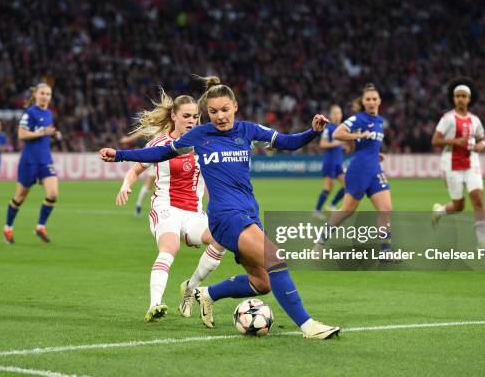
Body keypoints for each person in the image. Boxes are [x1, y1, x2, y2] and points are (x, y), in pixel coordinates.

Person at [100, 76, 339, 339]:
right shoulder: (199, 136)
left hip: (249, 213)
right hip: (225, 217)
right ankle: (308, 326)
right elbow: (160, 153)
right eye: (213, 112)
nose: (220, 116)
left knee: (262, 284)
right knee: (275, 259)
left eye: (225, 109)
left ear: (235, 106)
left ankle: (208, 293)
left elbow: (287, 142)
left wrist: (313, 132)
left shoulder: (248, 131)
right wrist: (120, 155)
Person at [115, 89, 226, 322]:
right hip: (166, 208)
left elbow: (209, 181)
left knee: (221, 238)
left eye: (195, 116)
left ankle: (191, 287)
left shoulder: (204, 143)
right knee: (170, 248)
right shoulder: (161, 143)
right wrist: (126, 185)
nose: (192, 121)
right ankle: (155, 304)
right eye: (186, 116)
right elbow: (136, 169)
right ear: (174, 116)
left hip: (193, 212)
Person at [323, 84, 392, 252]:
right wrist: (358, 135)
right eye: (368, 99)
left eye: (374, 99)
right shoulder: (359, 119)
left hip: (375, 169)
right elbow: (337, 133)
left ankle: (385, 250)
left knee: (386, 209)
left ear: (379, 101)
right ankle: (321, 241)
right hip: (359, 170)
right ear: (363, 102)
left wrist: (375, 154)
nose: (371, 102)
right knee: (347, 210)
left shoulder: (379, 121)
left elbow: (361, 146)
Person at [431, 77, 485, 249]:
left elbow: (482, 140)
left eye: (464, 96)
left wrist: (479, 146)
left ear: (469, 99)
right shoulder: (447, 118)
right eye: (457, 96)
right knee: (459, 205)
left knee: (477, 199)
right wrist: (456, 141)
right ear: (454, 98)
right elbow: (435, 140)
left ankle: (482, 244)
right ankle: (439, 211)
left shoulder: (475, 120)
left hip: (471, 163)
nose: (461, 99)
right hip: (451, 164)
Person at [3, 83, 62, 244]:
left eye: (48, 94)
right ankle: (8, 227)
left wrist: (54, 135)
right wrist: (43, 132)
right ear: (35, 95)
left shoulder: (49, 114)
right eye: (42, 93)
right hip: (29, 161)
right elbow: (21, 135)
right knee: (20, 197)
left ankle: (40, 226)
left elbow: (45, 134)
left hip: (45, 160)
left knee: (53, 194)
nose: (45, 96)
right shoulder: (29, 113)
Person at [314, 104, 347, 218]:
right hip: (329, 162)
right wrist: (339, 143)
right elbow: (322, 144)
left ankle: (331, 205)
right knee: (328, 187)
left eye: (339, 113)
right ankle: (317, 210)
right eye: (335, 113)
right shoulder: (329, 128)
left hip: (338, 162)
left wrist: (344, 147)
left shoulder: (340, 128)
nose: (338, 115)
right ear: (331, 115)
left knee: (347, 185)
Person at [119, 131, 156, 217]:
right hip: (154, 154)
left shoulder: (174, 125)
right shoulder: (160, 123)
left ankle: (158, 209)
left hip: (166, 156)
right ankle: (139, 205)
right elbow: (142, 131)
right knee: (150, 184)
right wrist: (129, 139)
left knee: (160, 185)